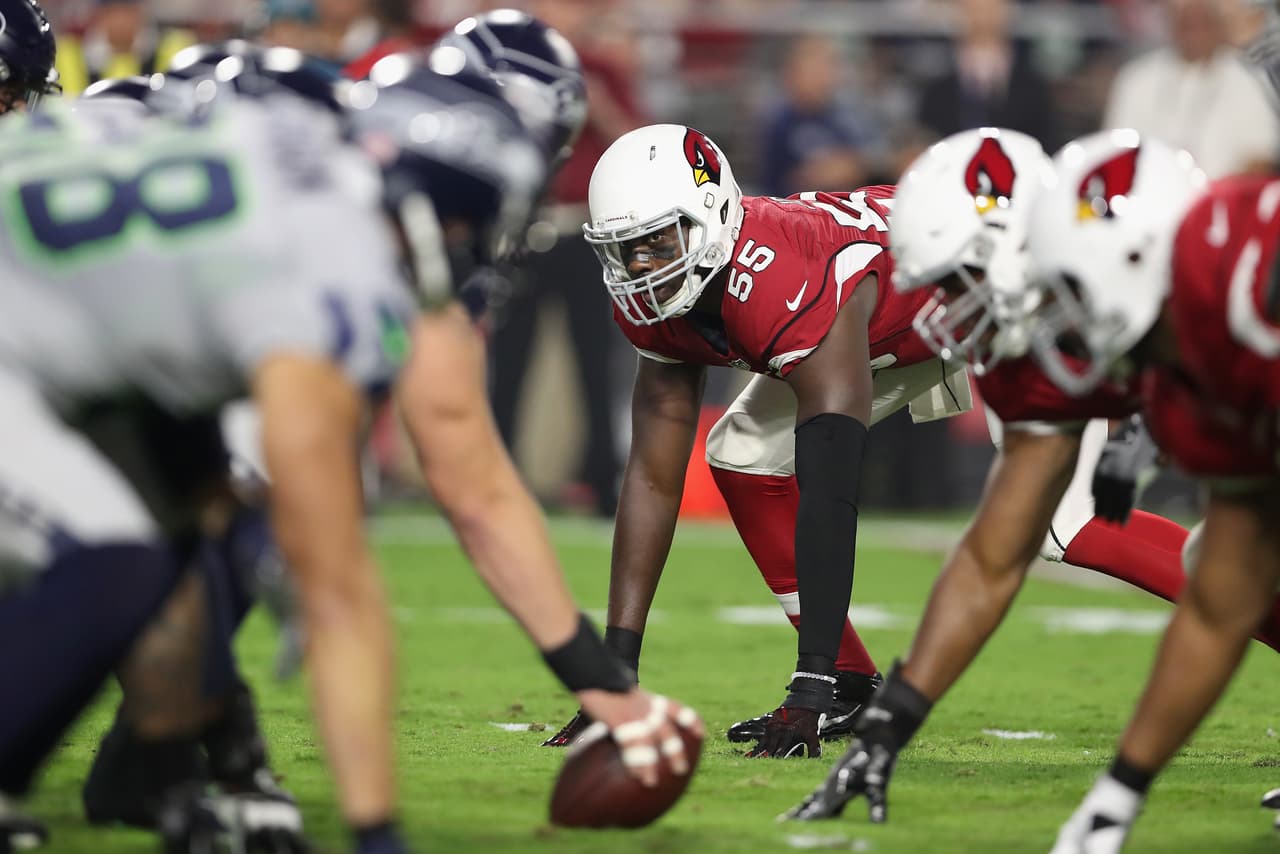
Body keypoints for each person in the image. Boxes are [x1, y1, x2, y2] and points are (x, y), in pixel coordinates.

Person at [0, 57, 699, 854]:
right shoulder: (329, 271)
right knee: (118, 556)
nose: (472, 246)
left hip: (55, 342)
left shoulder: (275, 143)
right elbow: (339, 595)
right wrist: (377, 835)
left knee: (175, 533)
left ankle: (177, 766)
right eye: (470, 221)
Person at [779, 127, 1280, 823]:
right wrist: (888, 727)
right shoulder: (1056, 332)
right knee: (1221, 560)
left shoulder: (1239, 279)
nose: (949, 309)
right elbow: (993, 555)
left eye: (960, 280)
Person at [546, 122, 980, 758]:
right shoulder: (666, 298)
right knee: (741, 456)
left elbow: (832, 491)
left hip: (987, 285)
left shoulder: (785, 283)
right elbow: (651, 477)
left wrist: (807, 689)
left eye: (657, 243)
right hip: (884, 320)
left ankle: (1187, 613)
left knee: (1067, 525)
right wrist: (615, 676)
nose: (640, 268)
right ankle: (854, 684)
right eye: (625, 249)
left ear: (711, 215)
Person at [1018, 135, 1280, 851]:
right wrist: (1117, 796)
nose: (1065, 315)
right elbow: (1221, 604)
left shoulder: (1250, 300)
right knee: (1219, 565)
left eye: (1073, 285)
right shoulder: (1203, 354)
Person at [1103, 0, 1279, 178]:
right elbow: (1115, 151)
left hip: (1222, 197)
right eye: (1186, 21)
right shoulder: (1136, 79)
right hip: (1148, 196)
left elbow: (1260, 160)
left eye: (1202, 20)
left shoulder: (1248, 78)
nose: (1194, 31)